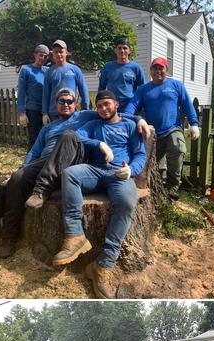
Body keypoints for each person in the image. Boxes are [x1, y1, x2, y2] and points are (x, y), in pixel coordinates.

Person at [0, 88, 149, 258]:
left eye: (69, 101)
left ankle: (42, 190)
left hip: (72, 158)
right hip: (47, 162)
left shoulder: (85, 116)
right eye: (61, 101)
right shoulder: (48, 127)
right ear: (56, 104)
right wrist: (24, 167)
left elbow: (112, 112)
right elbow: (34, 151)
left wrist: (139, 119)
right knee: (17, 178)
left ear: (75, 103)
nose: (66, 104)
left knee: (69, 135)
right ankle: (8, 236)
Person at [54, 89, 147, 298]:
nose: (103, 109)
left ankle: (103, 265)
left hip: (119, 174)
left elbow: (141, 154)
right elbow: (77, 135)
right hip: (95, 171)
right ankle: (75, 235)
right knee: (69, 174)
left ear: (116, 105)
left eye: (107, 104)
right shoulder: (94, 124)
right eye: (99, 106)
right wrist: (99, 144)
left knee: (127, 203)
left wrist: (131, 170)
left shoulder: (130, 126)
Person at [125, 57, 199, 199]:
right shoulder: (143, 90)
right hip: (153, 132)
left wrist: (194, 124)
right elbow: (133, 105)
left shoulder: (176, 85)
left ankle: (172, 187)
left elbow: (187, 105)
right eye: (155, 68)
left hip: (172, 128)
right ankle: (159, 188)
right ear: (151, 71)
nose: (158, 71)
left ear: (167, 70)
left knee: (178, 148)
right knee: (154, 163)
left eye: (161, 68)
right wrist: (126, 118)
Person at [42, 40, 89, 123]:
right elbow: (46, 94)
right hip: (54, 114)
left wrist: (85, 109)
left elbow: (83, 90)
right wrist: (44, 113)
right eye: (56, 52)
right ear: (53, 54)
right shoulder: (49, 72)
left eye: (61, 52)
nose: (58, 54)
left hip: (70, 112)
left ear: (66, 53)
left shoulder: (75, 70)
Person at [98, 37, 146, 113]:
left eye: (125, 48)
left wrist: (141, 104)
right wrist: (100, 102)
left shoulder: (136, 67)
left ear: (129, 51)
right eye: (119, 48)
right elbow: (101, 87)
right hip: (111, 105)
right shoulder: (108, 66)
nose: (122, 51)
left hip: (129, 105)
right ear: (115, 50)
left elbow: (142, 88)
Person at [17, 44, 49, 151]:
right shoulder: (26, 70)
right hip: (33, 111)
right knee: (34, 140)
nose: (43, 58)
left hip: (46, 111)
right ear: (35, 55)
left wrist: (45, 113)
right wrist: (21, 112)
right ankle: (30, 161)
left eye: (45, 56)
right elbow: (21, 92)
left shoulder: (47, 71)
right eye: (41, 55)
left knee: (46, 139)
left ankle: (42, 160)